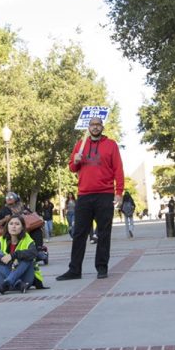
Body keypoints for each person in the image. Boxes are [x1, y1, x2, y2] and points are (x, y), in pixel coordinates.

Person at [56, 114, 124, 280]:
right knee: (79, 233)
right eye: (92, 124)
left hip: (105, 194)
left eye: (98, 124)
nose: (95, 127)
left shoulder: (111, 145)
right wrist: (76, 160)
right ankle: (74, 270)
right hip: (84, 195)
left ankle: (102, 267)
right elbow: (72, 168)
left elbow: (118, 169)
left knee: (104, 232)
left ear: (102, 127)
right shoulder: (80, 145)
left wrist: (119, 192)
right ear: (88, 128)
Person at [0, 213, 41, 293]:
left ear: (22, 227)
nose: (14, 226)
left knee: (27, 257)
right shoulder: (1, 240)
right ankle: (16, 283)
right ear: (7, 226)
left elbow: (34, 253)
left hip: (25, 278)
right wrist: (2, 258)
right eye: (11, 224)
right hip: (5, 280)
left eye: (17, 224)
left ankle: (9, 281)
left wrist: (13, 256)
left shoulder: (27, 239)